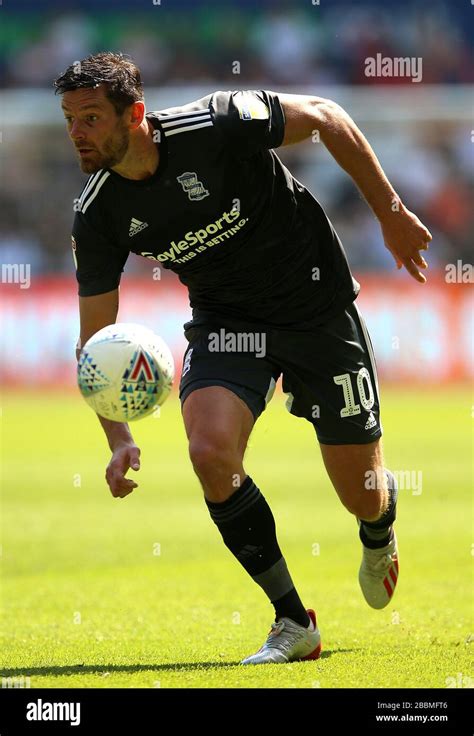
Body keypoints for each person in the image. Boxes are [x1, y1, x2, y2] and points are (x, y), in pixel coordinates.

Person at [54, 52, 431, 665]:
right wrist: (117, 438)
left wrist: (390, 215)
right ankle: (292, 620)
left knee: (360, 494)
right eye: (70, 119)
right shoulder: (97, 214)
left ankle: (379, 526)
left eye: (92, 118)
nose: (78, 133)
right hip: (228, 325)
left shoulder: (217, 123)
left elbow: (328, 116)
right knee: (209, 452)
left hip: (316, 309)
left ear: (136, 114)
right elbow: (93, 344)